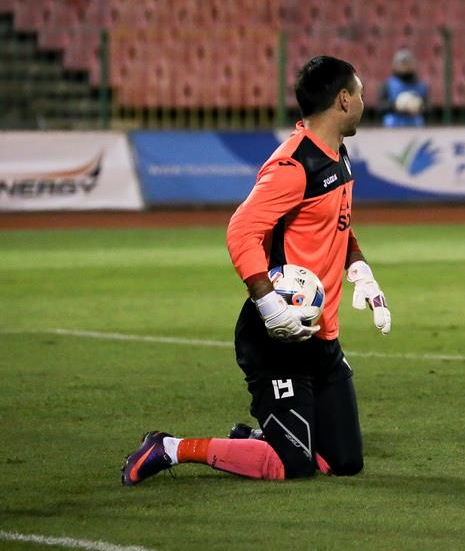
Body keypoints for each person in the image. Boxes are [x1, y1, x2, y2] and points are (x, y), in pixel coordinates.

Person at [121, 56, 391, 485]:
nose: (363, 101)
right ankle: (170, 448)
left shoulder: (337, 154)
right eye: (359, 93)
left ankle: (262, 437)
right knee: (295, 466)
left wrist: (360, 270)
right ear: (343, 99)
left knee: (345, 462)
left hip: (321, 336)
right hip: (276, 337)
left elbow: (337, 222)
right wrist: (268, 304)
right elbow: (241, 230)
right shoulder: (293, 165)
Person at [379, 49, 428, 127]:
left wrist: (419, 106)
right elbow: (381, 107)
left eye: (407, 63)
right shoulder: (387, 85)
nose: (405, 66)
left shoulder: (421, 86)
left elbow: (428, 108)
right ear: (395, 65)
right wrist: (395, 105)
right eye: (402, 63)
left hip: (415, 125)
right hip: (393, 126)